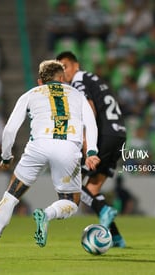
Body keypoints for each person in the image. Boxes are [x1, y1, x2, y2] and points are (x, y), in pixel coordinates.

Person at [0, 60, 100, 258]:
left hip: (38, 146)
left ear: (39, 81)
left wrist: (6, 156)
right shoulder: (77, 95)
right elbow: (91, 124)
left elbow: (9, 129)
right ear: (62, 79)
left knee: (10, 196)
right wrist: (92, 152)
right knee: (71, 202)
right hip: (67, 148)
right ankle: (47, 214)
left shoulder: (30, 94)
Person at [56, 51, 126, 248]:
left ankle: (103, 209)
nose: (64, 73)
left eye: (66, 67)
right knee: (93, 188)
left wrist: (88, 147)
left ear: (75, 65)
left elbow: (90, 110)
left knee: (73, 185)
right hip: (118, 135)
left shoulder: (79, 80)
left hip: (104, 136)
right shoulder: (94, 79)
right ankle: (117, 237)